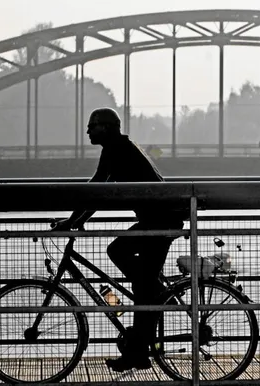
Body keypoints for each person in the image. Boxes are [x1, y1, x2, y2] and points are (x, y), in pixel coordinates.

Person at [53, 107, 186, 372]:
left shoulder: (117, 149)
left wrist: (73, 221)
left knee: (126, 263)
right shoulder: (118, 147)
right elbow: (97, 188)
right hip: (158, 219)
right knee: (135, 276)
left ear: (107, 127)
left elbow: (98, 189)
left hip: (160, 221)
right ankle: (148, 309)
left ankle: (152, 295)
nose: (88, 130)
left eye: (93, 125)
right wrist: (75, 219)